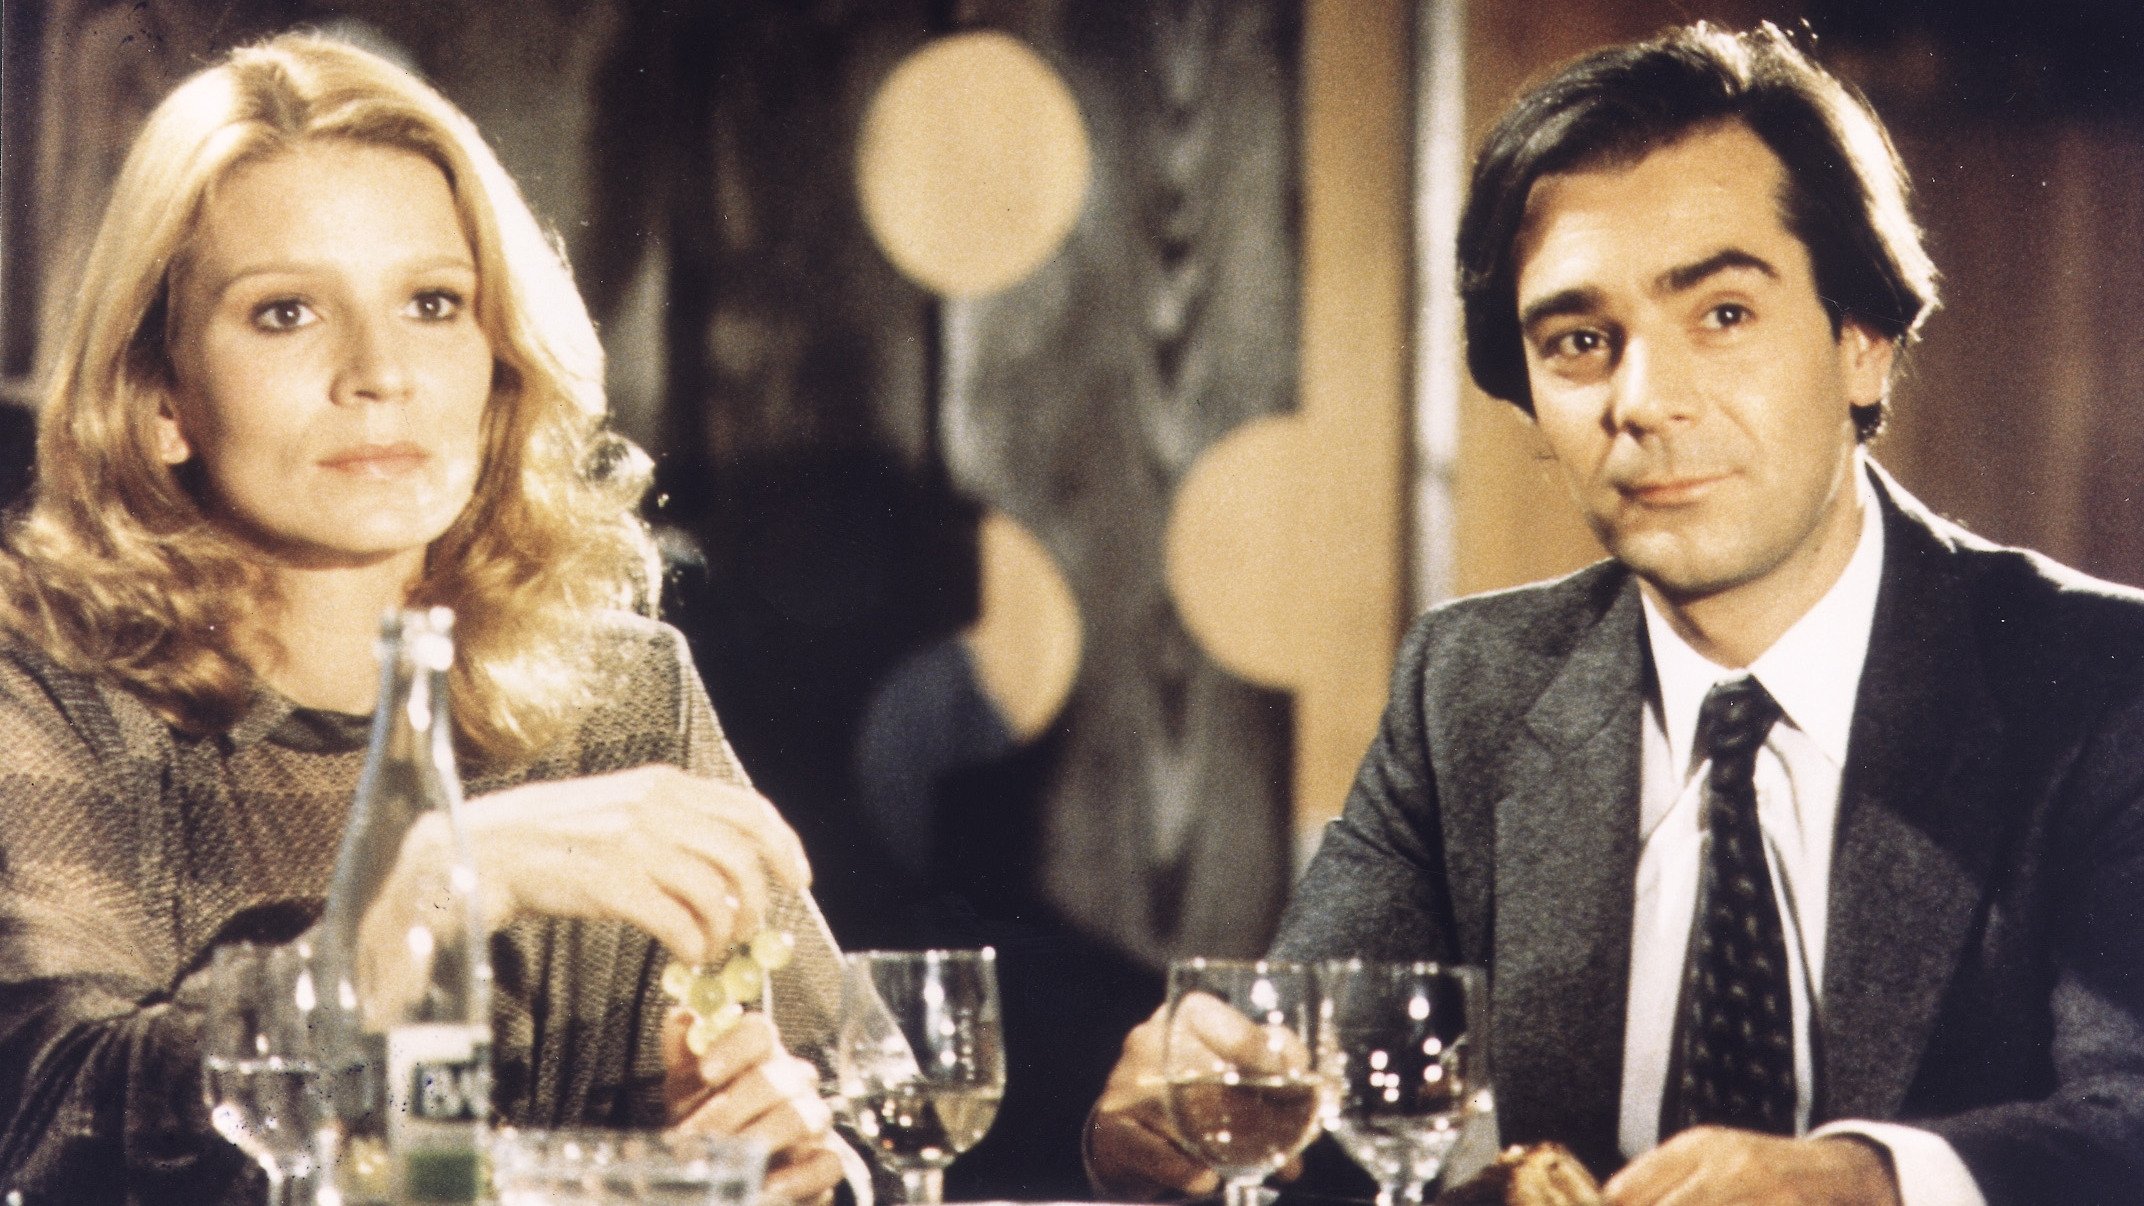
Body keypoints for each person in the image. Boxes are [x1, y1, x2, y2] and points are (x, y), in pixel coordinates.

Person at [1088, 22, 2144, 1206]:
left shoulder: (2104, 682)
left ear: (1860, 343)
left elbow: (2130, 1119)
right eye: (1580, 342)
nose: (1641, 400)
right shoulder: (1468, 688)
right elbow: (1310, 1107)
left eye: (1722, 315)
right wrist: (1183, 1120)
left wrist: (1866, 1181)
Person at [0, 33, 852, 1204]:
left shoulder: (622, 696)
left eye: (433, 304)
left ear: (497, 369)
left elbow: (850, 1114)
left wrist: (769, 1143)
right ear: (161, 401)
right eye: (286, 312)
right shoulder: (45, 693)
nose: (379, 373)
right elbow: (51, 1139)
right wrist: (422, 899)